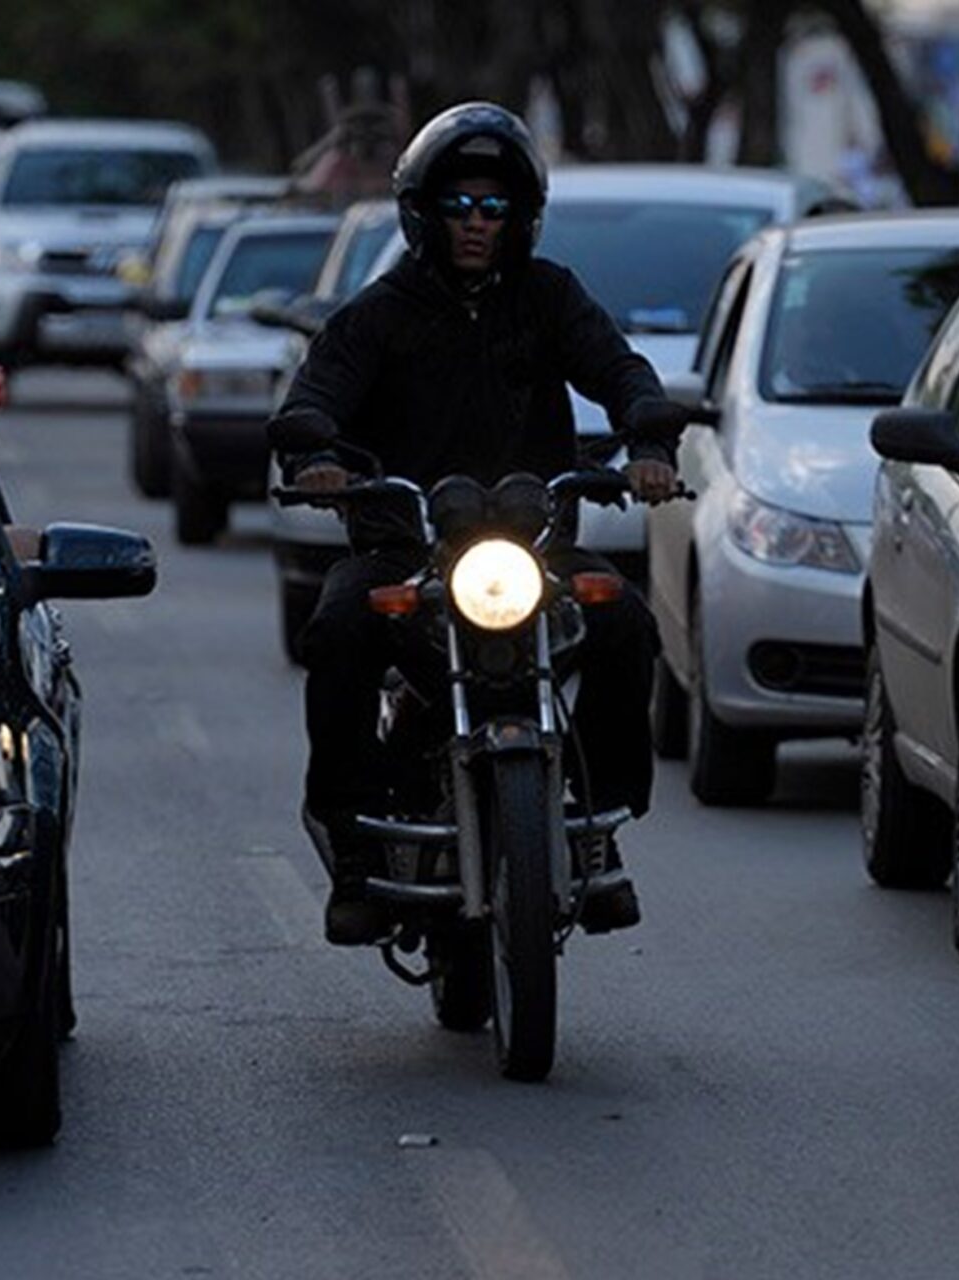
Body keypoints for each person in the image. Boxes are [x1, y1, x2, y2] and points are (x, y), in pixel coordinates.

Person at [269, 101, 684, 947]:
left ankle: (597, 822)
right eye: (459, 206)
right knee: (340, 630)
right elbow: (314, 396)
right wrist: (315, 453)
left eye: (493, 208)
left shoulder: (550, 297)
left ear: (519, 217)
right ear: (424, 212)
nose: (475, 224)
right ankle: (354, 838)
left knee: (625, 626)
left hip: (533, 545)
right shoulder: (379, 312)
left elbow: (620, 367)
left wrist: (647, 435)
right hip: (406, 546)